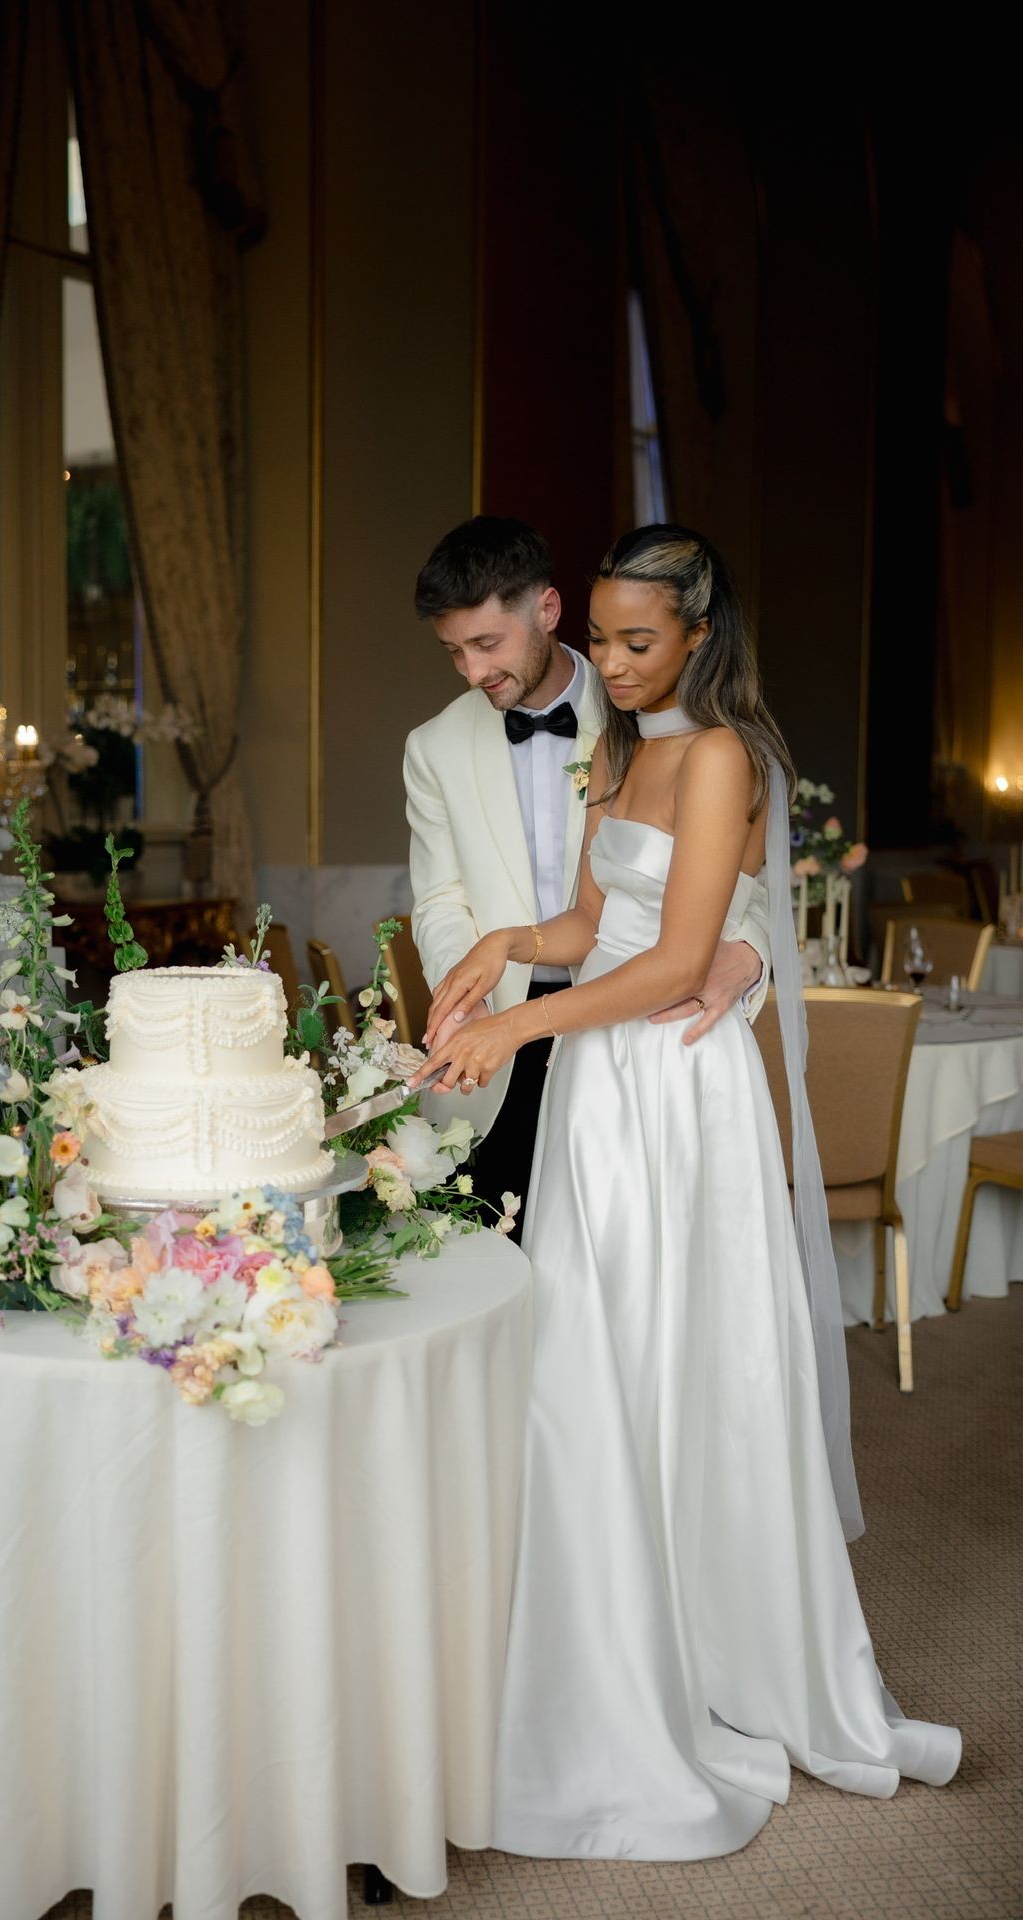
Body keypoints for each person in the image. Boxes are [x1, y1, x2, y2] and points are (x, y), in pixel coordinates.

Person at [418, 524, 961, 1859]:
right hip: (603, 1098)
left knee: (682, 1352)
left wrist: (521, 1029)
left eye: (635, 642)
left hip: (671, 1084)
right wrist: (500, 948)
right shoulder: (626, 745)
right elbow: (585, 926)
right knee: (595, 1359)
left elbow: (673, 967)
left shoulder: (722, 757)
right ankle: (615, 1639)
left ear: (702, 637)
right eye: (598, 638)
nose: (608, 661)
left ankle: (720, 1653)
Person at [404, 515, 769, 1230]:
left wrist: (751, 951)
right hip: (520, 1046)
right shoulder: (437, 746)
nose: (474, 672)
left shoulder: (662, 718)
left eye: (486, 644)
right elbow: (448, 899)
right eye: (454, 652)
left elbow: (741, 871)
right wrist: (481, 983)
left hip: (658, 1034)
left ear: (546, 611)